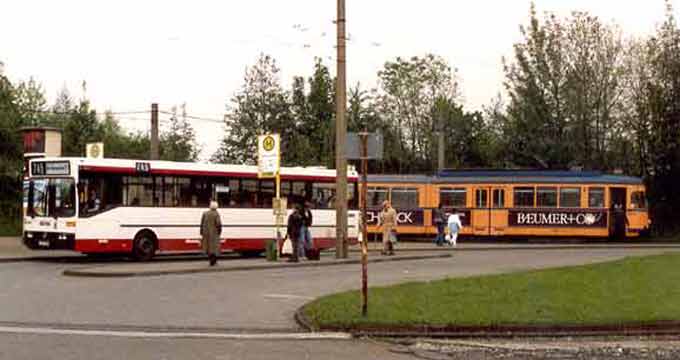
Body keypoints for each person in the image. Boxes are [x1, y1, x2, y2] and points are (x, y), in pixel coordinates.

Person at [200, 201, 222, 266]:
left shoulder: (205, 213)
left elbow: (202, 223)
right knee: (214, 248)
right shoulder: (216, 214)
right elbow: (218, 224)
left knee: (208, 247)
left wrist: (201, 231)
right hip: (214, 233)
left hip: (206, 233)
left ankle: (211, 261)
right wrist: (219, 231)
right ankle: (213, 261)